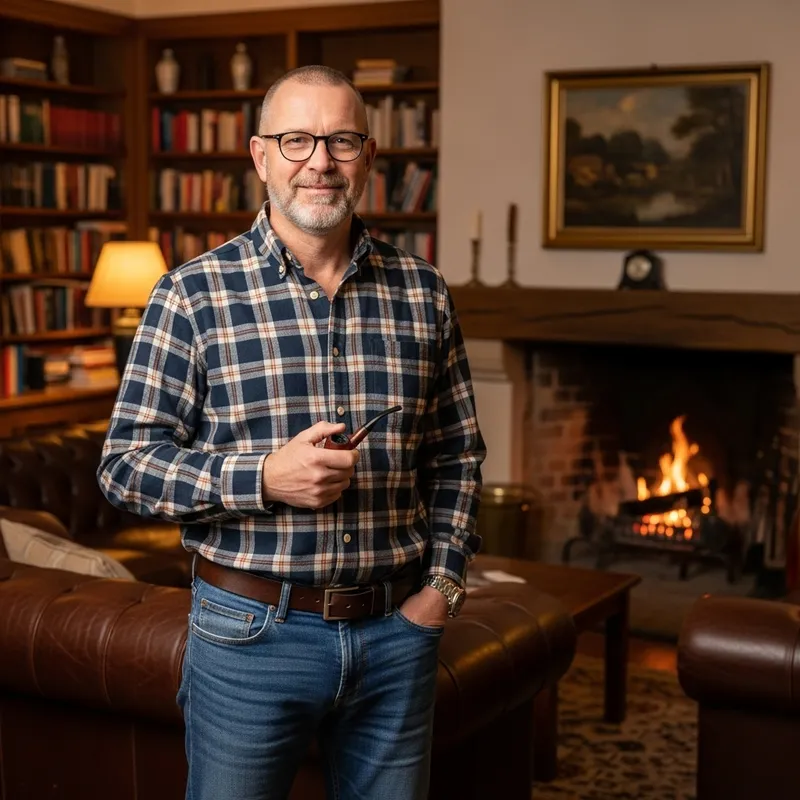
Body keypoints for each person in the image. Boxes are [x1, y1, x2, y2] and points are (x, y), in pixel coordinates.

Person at [97, 64, 486, 800]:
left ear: (368, 157)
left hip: (396, 635)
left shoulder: (422, 291)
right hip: (249, 633)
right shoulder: (192, 293)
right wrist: (265, 478)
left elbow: (457, 453)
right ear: (260, 155)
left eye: (341, 140)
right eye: (297, 139)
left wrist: (441, 589)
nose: (320, 162)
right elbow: (125, 467)